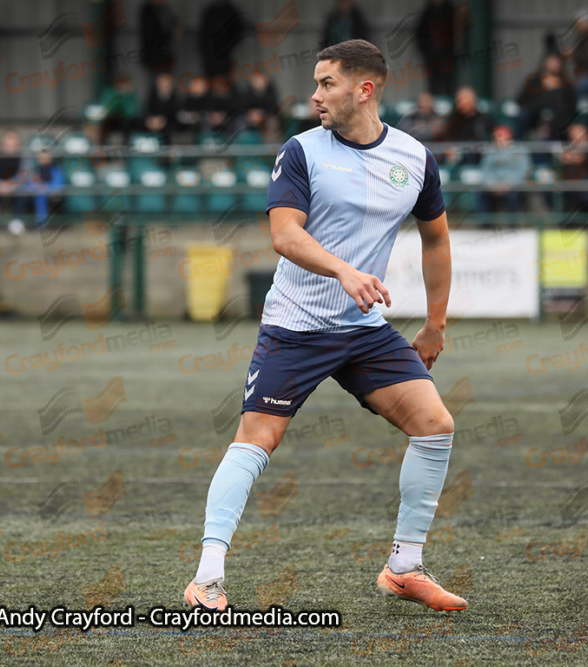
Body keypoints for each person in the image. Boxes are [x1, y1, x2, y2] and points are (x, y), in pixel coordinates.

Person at [184, 39, 466, 614]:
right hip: (295, 326)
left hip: (363, 330)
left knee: (436, 426)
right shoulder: (301, 151)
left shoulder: (414, 158)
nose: (315, 96)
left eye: (327, 84)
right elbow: (284, 235)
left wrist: (435, 324)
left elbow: (436, 240)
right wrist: (344, 272)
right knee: (257, 439)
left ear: (364, 90)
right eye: (315, 84)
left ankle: (404, 567)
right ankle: (206, 578)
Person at [480, 125, 530, 214]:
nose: (498, 138)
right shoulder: (489, 150)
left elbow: (524, 171)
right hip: (494, 186)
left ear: (509, 136)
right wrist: (492, 184)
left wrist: (508, 184)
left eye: (501, 135)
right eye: (496, 136)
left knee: (514, 195)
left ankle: (512, 225)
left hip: (513, 185)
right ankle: (485, 225)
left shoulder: (520, 150)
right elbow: (485, 170)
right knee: (481, 194)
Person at [415, 0, 457, 99]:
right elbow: (420, 34)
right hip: (431, 55)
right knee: (433, 83)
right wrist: (425, 50)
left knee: (449, 82)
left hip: (448, 55)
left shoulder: (450, 10)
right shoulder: (427, 11)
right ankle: (433, 103)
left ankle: (449, 102)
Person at [199, 0, 246, 87]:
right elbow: (202, 33)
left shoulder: (231, 10)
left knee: (226, 80)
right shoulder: (210, 10)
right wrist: (204, 49)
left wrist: (230, 46)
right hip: (210, 54)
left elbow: (239, 30)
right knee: (210, 81)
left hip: (225, 54)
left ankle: (228, 99)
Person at [0, 131, 28, 222]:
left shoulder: (23, 158)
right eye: (6, 145)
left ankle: (17, 221)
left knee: (22, 192)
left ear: (18, 145)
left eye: (13, 145)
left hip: (15, 188)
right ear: (1, 145)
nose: (9, 148)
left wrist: (10, 185)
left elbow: (23, 176)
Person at [139, 0, 181, 75]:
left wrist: (177, 27)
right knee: (155, 77)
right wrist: (171, 33)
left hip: (166, 52)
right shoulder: (147, 10)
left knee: (167, 75)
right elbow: (152, 31)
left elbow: (173, 20)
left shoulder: (164, 8)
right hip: (153, 53)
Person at [26, 149, 64, 222]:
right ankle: (40, 221)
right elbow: (28, 184)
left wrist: (47, 187)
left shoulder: (56, 168)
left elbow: (58, 184)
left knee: (42, 195)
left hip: (52, 194)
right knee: (40, 195)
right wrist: (36, 186)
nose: (45, 161)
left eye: (47, 158)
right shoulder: (34, 169)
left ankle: (42, 222)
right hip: (36, 193)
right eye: (42, 158)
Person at [145, 72, 183, 143]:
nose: (164, 86)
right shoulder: (151, 97)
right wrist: (150, 121)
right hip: (152, 126)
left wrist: (163, 121)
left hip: (169, 128)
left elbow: (177, 116)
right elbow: (146, 112)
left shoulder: (177, 99)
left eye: (166, 84)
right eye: (161, 83)